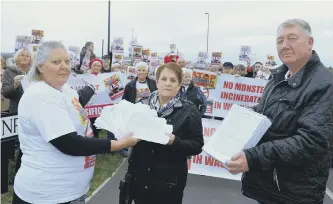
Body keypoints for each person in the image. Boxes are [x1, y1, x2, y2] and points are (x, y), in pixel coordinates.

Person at [12, 41, 139, 204]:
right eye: (56, 62)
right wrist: (118, 144)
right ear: (40, 67)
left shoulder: (63, 89)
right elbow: (68, 143)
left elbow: (76, 101)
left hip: (69, 192)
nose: (64, 66)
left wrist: (93, 88)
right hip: (47, 196)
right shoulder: (41, 96)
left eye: (67, 61)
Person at [225, 19, 333, 204]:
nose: (285, 45)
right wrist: (244, 115)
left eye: (292, 38)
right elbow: (268, 114)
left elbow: (311, 141)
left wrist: (252, 158)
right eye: (280, 40)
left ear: (310, 42)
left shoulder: (325, 84)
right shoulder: (277, 77)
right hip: (269, 186)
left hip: (294, 193)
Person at [121, 62, 204, 204]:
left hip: (169, 182)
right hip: (140, 177)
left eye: (173, 80)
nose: (168, 84)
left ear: (179, 85)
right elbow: (128, 131)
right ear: (157, 82)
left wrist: (175, 141)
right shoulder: (142, 105)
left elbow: (197, 145)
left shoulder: (189, 111)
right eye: (164, 79)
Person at [2, 48, 32, 114]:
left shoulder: (34, 73)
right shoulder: (9, 72)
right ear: (17, 57)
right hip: (16, 110)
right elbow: (5, 93)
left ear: (30, 59)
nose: (25, 58)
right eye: (22, 55)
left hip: (32, 109)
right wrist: (15, 85)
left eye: (27, 56)